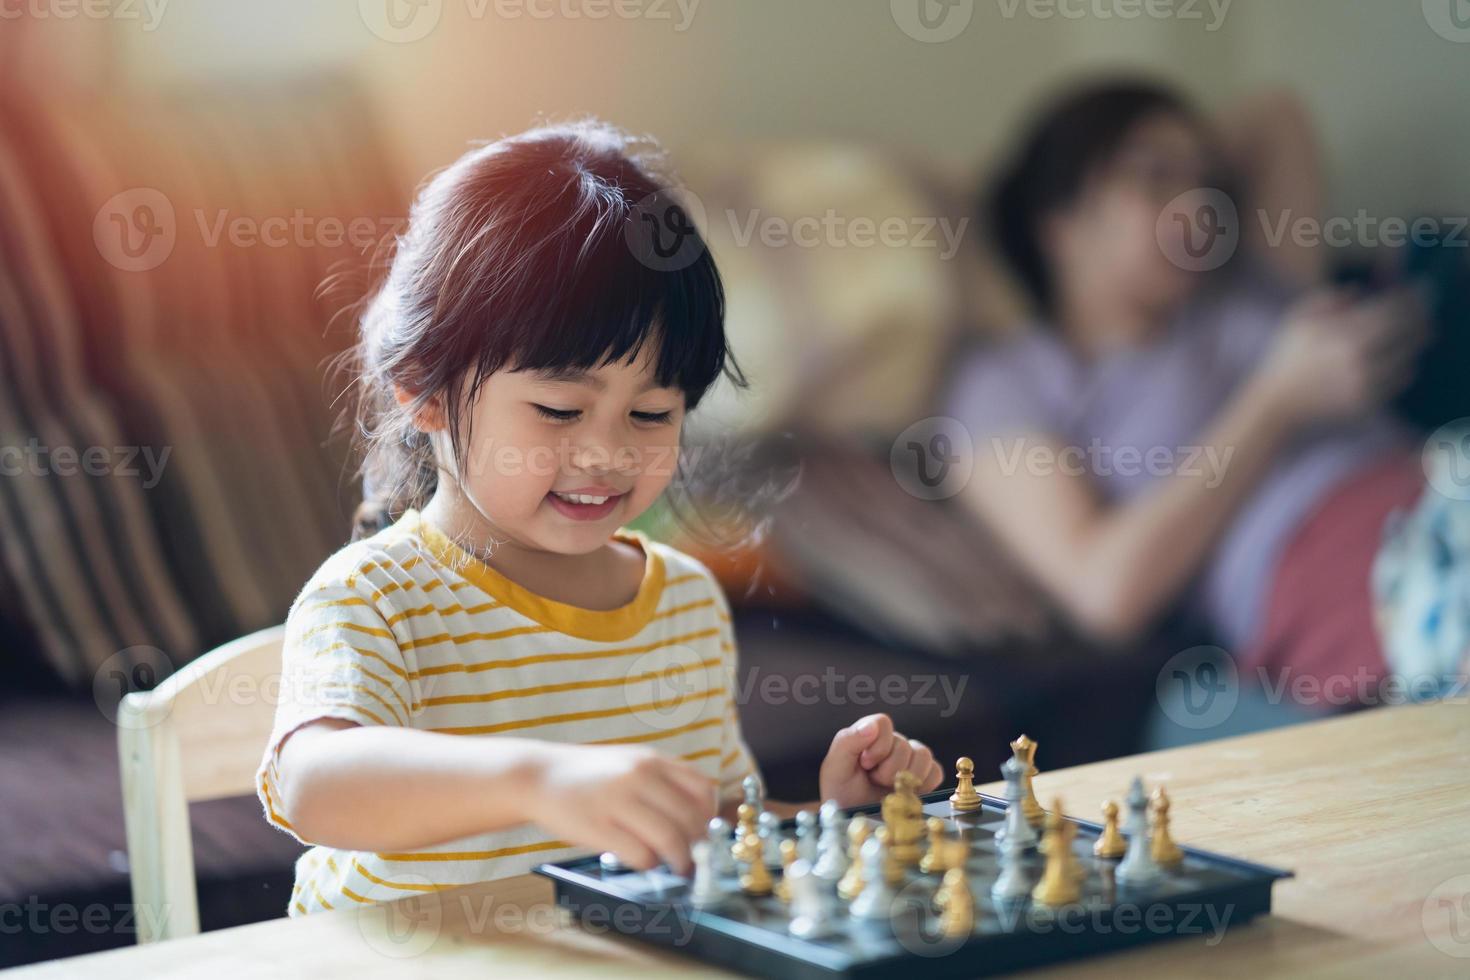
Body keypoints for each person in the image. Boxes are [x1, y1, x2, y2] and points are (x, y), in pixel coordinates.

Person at [256, 121, 943, 915]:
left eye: (651, 414)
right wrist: (539, 779)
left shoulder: (681, 602)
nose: (607, 453)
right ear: (425, 389)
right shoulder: (376, 597)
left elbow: (706, 828)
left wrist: (834, 820)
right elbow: (315, 785)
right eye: (560, 409)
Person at [948, 80, 1442, 732]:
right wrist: (1275, 401)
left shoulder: (1247, 287)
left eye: (1206, 183)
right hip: (1324, 562)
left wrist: (1171, 169)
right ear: (1059, 223)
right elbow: (1106, 591)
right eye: (1155, 179)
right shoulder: (1011, 377)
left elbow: (1277, 114)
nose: (1197, 206)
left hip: (1436, 487)